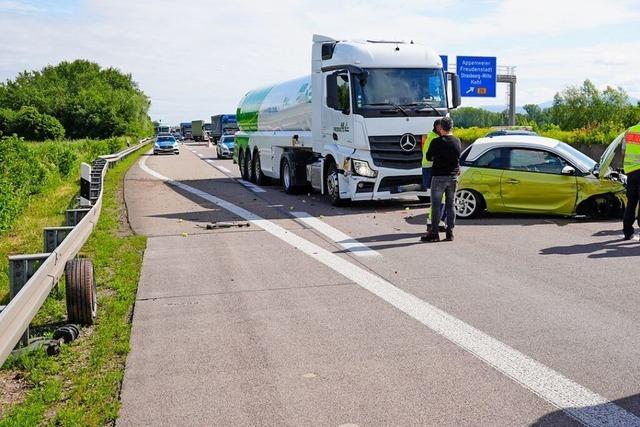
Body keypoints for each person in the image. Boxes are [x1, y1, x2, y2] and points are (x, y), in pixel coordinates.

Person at [421, 116, 461, 242]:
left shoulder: (436, 142)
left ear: (441, 128)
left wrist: (437, 158)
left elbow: (428, 157)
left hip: (438, 177)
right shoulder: (457, 141)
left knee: (436, 206)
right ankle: (450, 233)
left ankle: (434, 234)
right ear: (451, 127)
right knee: (450, 206)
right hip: (453, 178)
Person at [422, 119, 446, 234]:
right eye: (442, 127)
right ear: (437, 127)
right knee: (438, 198)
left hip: (430, 168)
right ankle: (432, 222)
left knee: (439, 198)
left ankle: (437, 221)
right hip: (431, 169)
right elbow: (431, 156)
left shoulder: (432, 136)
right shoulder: (434, 138)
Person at [622, 123, 640, 240]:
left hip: (630, 172)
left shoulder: (629, 130)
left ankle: (627, 232)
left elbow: (623, 152)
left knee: (631, 203)